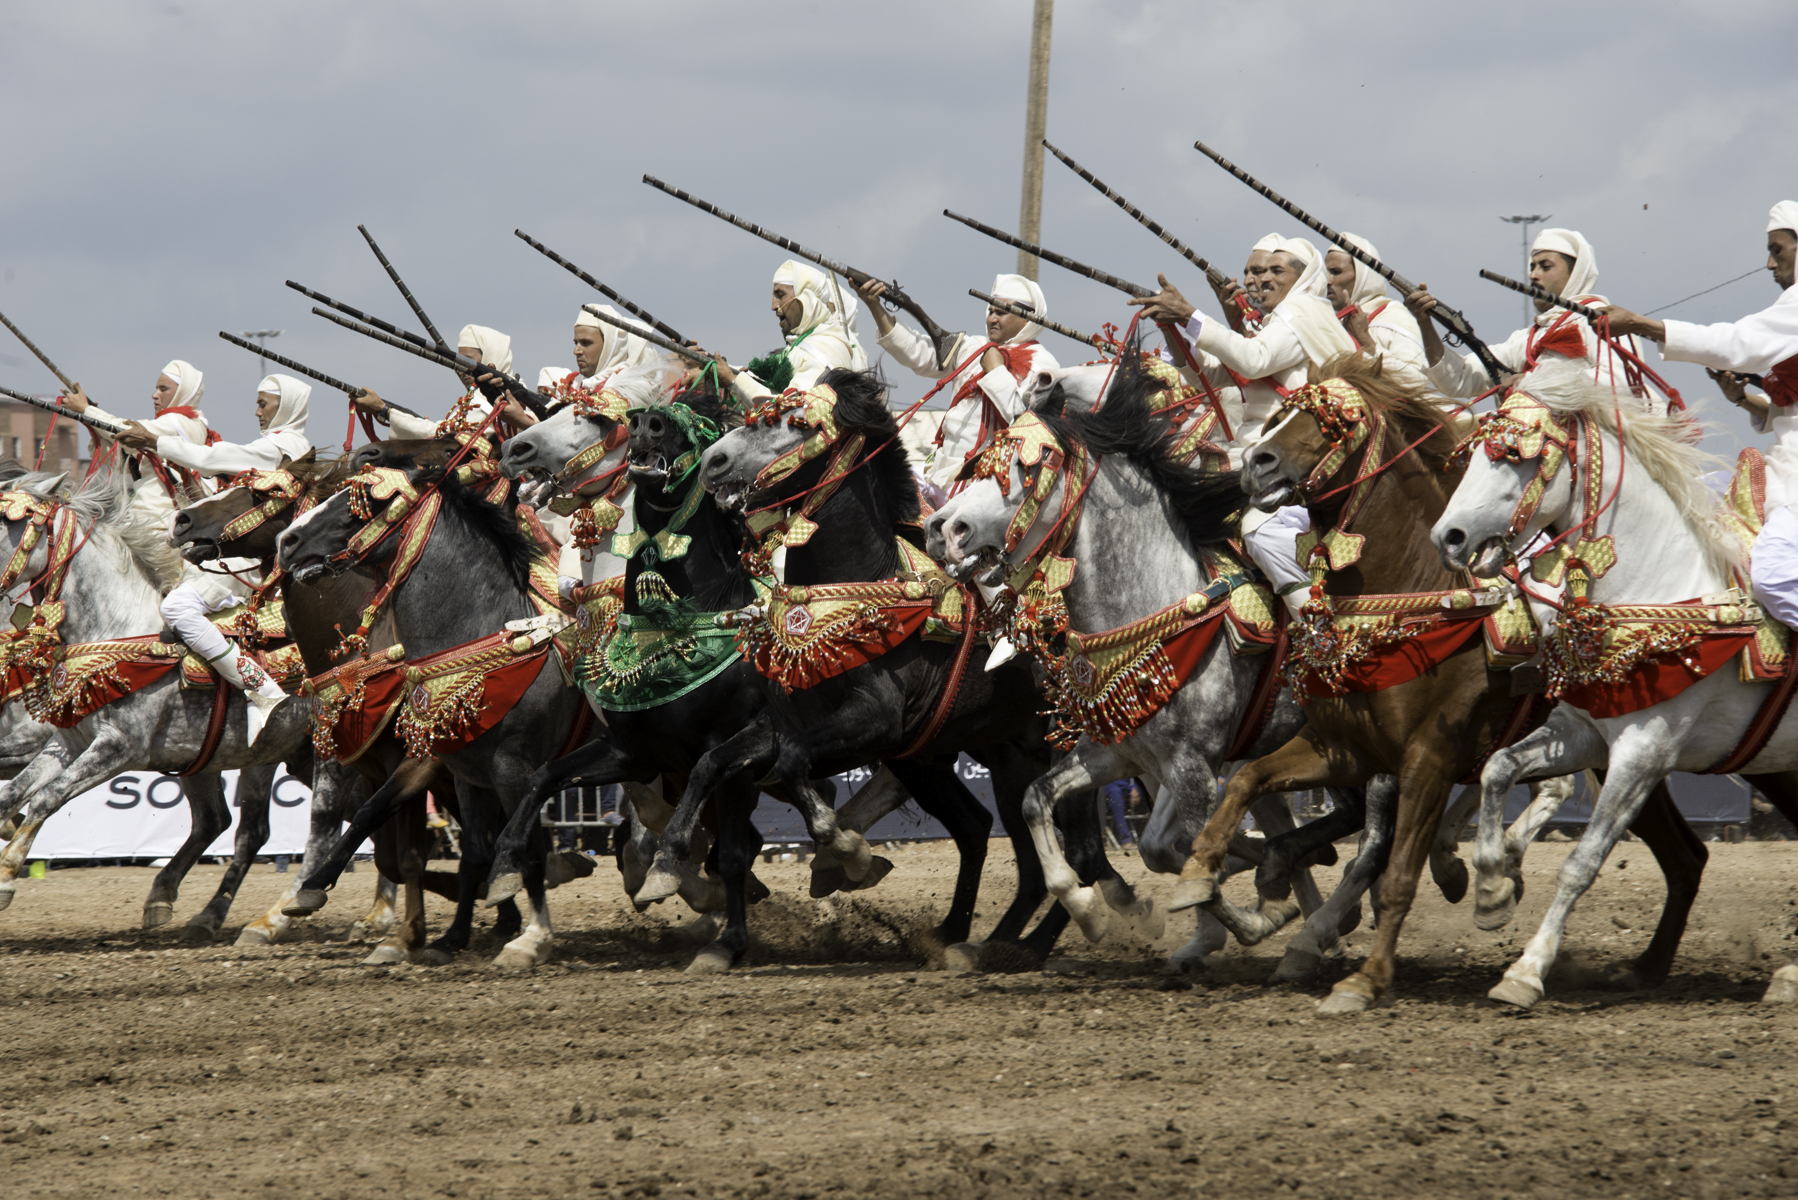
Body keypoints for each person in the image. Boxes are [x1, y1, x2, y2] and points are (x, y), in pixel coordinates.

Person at [1132, 236, 1359, 613]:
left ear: (1304, 279)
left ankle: (1314, 623)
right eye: (1259, 270)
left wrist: (1190, 314)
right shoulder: (1281, 321)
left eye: (1275, 270)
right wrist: (1174, 328)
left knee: (1259, 531)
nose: (1263, 279)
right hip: (1253, 455)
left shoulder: (1302, 311)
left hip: (1289, 461)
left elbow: (1253, 360)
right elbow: (1211, 373)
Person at [1603, 201, 1798, 626]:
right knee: (1684, 501)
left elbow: (1734, 343)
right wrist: (1744, 399)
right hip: (1784, 472)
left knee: (1775, 579)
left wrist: (1641, 324)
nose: (1769, 263)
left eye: (1778, 250)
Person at [120, 373, 311, 744]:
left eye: (263, 403)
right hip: (243, 554)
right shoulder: (276, 444)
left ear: (285, 406)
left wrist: (154, 441)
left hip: (248, 562)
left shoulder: (283, 446)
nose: (256, 411)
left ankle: (260, 688)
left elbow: (210, 459)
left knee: (176, 608)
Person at [1405, 228, 1654, 408]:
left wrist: (1533, 382)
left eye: (1545, 267)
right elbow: (1458, 380)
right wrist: (1425, 322)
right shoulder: (1529, 337)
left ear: (1575, 272)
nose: (1534, 276)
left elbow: (1621, 386)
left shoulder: (1601, 319)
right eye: (1532, 267)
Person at [859, 273, 1060, 495]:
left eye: (1001, 312)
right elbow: (916, 352)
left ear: (1028, 318)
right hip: (939, 475)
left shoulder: (1044, 366)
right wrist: (875, 306)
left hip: (986, 488)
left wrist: (995, 372)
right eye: (990, 310)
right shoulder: (972, 347)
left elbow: (1028, 428)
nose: (992, 318)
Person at [61, 360, 214, 524]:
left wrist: (87, 410)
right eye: (157, 389)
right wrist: (92, 419)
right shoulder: (186, 423)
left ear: (182, 393)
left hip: (157, 520)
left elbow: (126, 432)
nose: (155, 395)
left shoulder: (178, 422)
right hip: (151, 517)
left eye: (163, 389)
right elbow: (122, 461)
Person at [694, 261, 867, 405]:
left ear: (806, 297)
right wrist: (710, 366)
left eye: (780, 295)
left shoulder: (824, 347)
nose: (773, 306)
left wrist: (733, 381)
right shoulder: (801, 345)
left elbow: (792, 411)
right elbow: (774, 394)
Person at [354, 323, 529, 438]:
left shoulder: (508, 397)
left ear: (491, 356)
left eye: (468, 360)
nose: (461, 368)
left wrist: (383, 410)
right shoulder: (478, 397)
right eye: (459, 361)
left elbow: (446, 434)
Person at [1324, 233, 1434, 394]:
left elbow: (1415, 383)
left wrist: (1365, 340)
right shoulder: (1330, 325)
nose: (1327, 280)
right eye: (1326, 272)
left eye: (1336, 272)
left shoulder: (1395, 318)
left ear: (1363, 276)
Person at [542, 306, 656, 401]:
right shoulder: (577, 385)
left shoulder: (629, 388)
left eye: (586, 343)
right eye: (576, 343)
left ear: (610, 346)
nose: (576, 351)